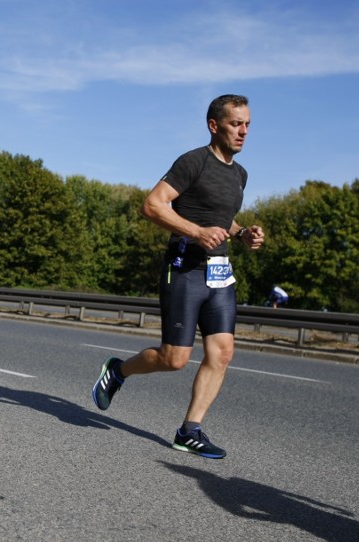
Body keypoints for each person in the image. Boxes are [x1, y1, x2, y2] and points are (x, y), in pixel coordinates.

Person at [91, 94, 265, 459]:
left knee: (223, 352)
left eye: (247, 124)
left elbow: (220, 216)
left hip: (220, 275)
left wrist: (241, 232)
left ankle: (190, 431)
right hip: (185, 269)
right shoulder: (193, 162)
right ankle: (119, 370)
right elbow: (152, 204)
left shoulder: (240, 174)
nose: (244, 131)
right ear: (214, 125)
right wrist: (195, 232)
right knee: (175, 359)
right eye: (236, 123)